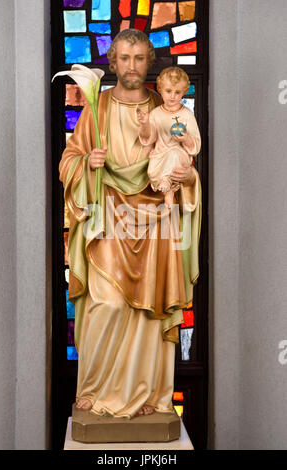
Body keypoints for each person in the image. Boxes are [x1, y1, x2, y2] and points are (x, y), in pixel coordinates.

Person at [59, 29, 202, 418]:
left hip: (156, 220)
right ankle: (94, 388)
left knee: (147, 314)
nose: (132, 65)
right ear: (113, 62)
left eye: (140, 58)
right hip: (109, 218)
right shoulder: (97, 107)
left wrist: (189, 180)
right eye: (124, 58)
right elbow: (70, 158)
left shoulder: (166, 107)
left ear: (149, 62)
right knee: (106, 303)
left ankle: (149, 397)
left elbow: (186, 158)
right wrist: (86, 165)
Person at [137, 67, 201, 207]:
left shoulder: (187, 115)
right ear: (160, 89)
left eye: (177, 92)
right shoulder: (155, 114)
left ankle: (168, 188)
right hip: (160, 154)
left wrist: (185, 139)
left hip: (178, 155)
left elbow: (195, 144)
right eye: (168, 91)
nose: (172, 96)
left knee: (173, 154)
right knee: (152, 169)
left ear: (184, 92)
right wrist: (145, 123)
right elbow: (150, 138)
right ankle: (165, 186)